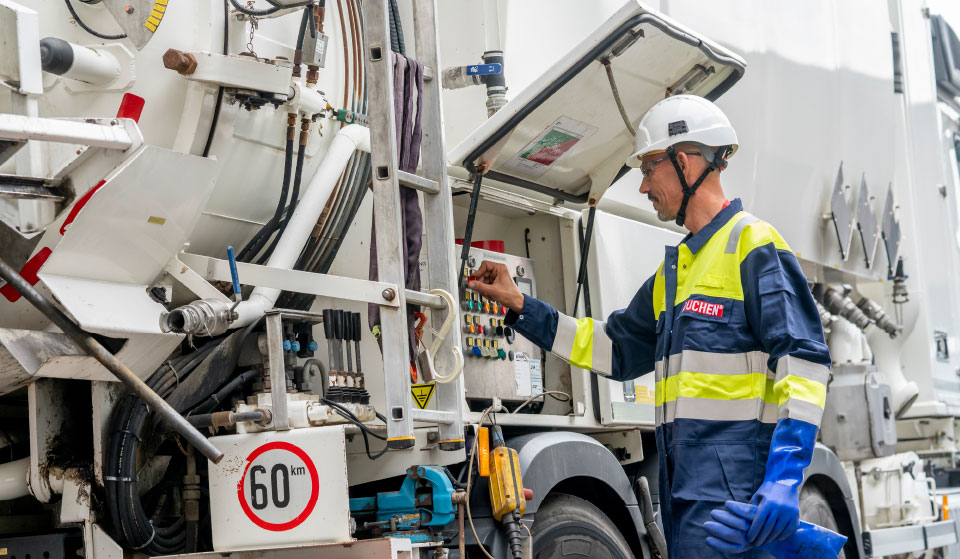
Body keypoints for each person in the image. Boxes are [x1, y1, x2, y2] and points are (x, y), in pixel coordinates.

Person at [468, 94, 830, 558]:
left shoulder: (753, 246)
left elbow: (804, 364)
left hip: (740, 505)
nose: (642, 187)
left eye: (648, 169)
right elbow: (613, 350)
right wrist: (521, 305)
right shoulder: (675, 272)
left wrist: (784, 480)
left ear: (684, 162)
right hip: (684, 500)